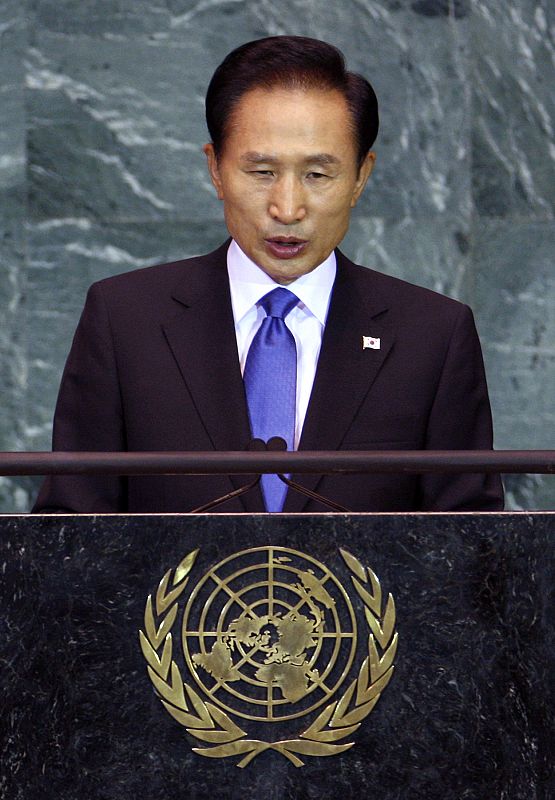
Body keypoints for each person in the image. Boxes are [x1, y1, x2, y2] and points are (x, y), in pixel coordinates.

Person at [33, 36, 504, 514]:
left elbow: (472, 547)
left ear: (361, 176)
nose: (288, 208)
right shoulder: (125, 320)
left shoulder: (433, 335)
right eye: (261, 172)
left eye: (317, 175)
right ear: (215, 169)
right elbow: (70, 534)